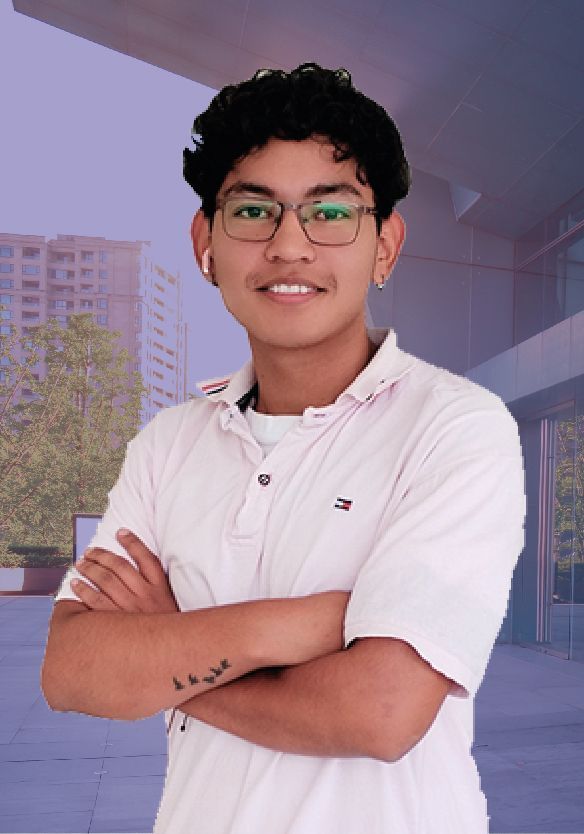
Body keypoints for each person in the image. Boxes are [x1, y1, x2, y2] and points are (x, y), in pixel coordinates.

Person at [42, 63, 526, 833]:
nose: (289, 245)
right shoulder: (169, 445)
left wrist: (166, 652)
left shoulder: (455, 428)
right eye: (254, 211)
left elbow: (381, 711)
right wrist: (312, 622)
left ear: (385, 245)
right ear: (206, 243)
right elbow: (73, 671)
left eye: (330, 212)